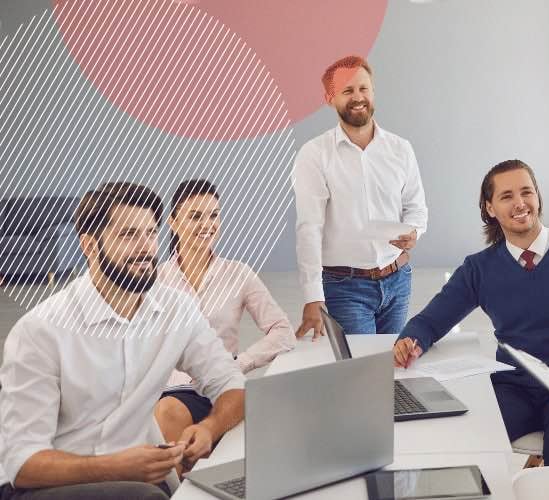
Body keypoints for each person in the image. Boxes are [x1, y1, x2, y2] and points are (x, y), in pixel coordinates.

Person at [392, 159, 549, 466]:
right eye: (506, 196)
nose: (519, 203)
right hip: (514, 387)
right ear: (489, 208)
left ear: (538, 197)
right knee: (463, 442)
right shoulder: (480, 269)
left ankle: (542, 465)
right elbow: (432, 320)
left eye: (526, 192)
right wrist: (411, 340)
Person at [0, 182, 246, 499]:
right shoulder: (40, 332)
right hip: (44, 486)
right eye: (128, 235)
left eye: (150, 233)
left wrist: (209, 428)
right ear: (89, 245)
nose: (146, 249)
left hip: (136, 475)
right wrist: (114, 466)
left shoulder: (176, 310)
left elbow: (231, 382)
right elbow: (22, 464)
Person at [155, 179, 297, 454]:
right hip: (170, 388)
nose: (207, 224)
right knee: (167, 412)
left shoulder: (238, 274)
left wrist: (239, 363)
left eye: (214, 215)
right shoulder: (156, 279)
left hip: (221, 386)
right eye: (195, 216)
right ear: (172, 222)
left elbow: (283, 330)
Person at [294, 55, 428, 338]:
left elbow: (416, 207)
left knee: (395, 368)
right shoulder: (314, 154)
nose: (358, 97)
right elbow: (309, 228)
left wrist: (415, 231)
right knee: (363, 373)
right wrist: (312, 295)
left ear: (373, 91)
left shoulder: (401, 149)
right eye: (347, 91)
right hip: (345, 286)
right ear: (330, 98)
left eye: (363, 88)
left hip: (398, 279)